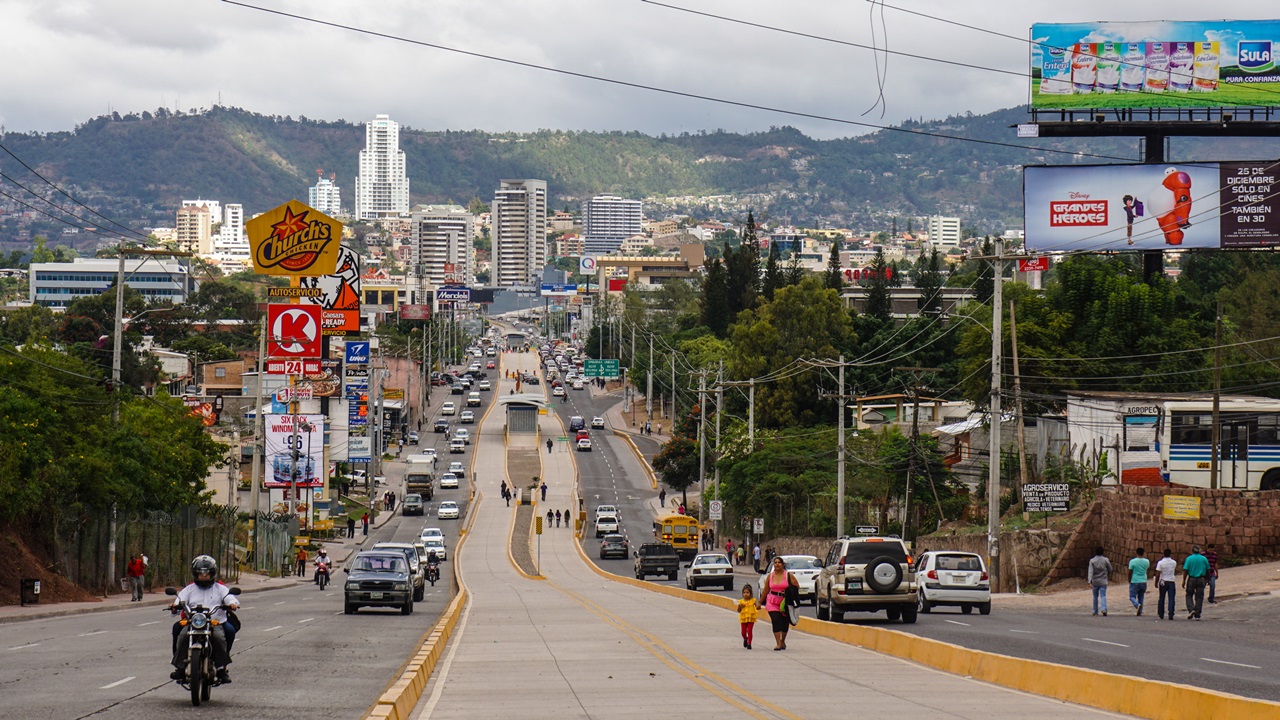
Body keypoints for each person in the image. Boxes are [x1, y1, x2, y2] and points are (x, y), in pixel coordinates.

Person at [170, 555, 238, 684]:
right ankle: (180, 666)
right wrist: (175, 606)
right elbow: (180, 600)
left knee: (219, 637)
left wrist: (232, 604)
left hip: (214, 623)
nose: (204, 576)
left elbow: (230, 597)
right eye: (200, 574)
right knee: (182, 635)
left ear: (212, 573)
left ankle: (220, 669)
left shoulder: (220, 588)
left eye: (206, 574)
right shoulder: (189, 589)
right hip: (193, 622)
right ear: (195, 574)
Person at [758, 556, 798, 651]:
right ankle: (778, 643)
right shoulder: (770, 576)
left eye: (779, 562)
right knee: (776, 620)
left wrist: (788, 591)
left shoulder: (789, 576)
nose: (777, 564)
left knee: (784, 622)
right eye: (775, 562)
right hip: (772, 601)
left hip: (785, 602)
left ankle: (783, 641)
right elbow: (766, 589)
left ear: (782, 564)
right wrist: (759, 602)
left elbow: (796, 587)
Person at [1182, 544, 1210, 620]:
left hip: (1191, 579)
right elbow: (1208, 570)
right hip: (1201, 579)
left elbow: (1185, 570)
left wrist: (1184, 581)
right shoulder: (1204, 559)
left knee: (1189, 595)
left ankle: (1191, 609)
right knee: (1199, 597)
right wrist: (1208, 579)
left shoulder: (1189, 559)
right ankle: (1197, 614)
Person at [1088, 546, 1113, 617]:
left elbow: (1090, 572)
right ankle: (1104, 609)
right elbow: (1110, 569)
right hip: (1103, 580)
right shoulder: (1106, 560)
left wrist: (1090, 581)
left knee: (1095, 596)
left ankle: (1095, 611)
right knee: (1103, 595)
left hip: (1095, 581)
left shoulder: (1092, 561)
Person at [1154, 548, 1178, 620]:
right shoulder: (1174, 562)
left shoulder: (1160, 563)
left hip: (1163, 581)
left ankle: (1161, 613)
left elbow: (1158, 574)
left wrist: (1156, 582)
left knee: (1161, 598)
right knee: (1171, 598)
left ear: (1163, 554)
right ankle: (1171, 613)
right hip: (1171, 581)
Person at [1128, 547, 1150, 616]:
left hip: (1135, 580)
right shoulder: (1147, 561)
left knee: (1132, 596)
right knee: (1141, 596)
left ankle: (1137, 605)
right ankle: (1140, 610)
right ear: (1143, 553)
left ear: (1136, 553)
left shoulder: (1132, 561)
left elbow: (1130, 572)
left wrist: (1129, 580)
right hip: (1143, 580)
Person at [736, 584, 758, 650]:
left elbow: (757, 607)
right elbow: (738, 610)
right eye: (744, 593)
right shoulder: (741, 602)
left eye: (747, 592)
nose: (746, 594)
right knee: (743, 632)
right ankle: (745, 638)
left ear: (750, 594)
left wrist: (758, 606)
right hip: (743, 618)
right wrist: (740, 606)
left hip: (751, 618)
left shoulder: (753, 601)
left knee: (749, 630)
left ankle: (749, 643)